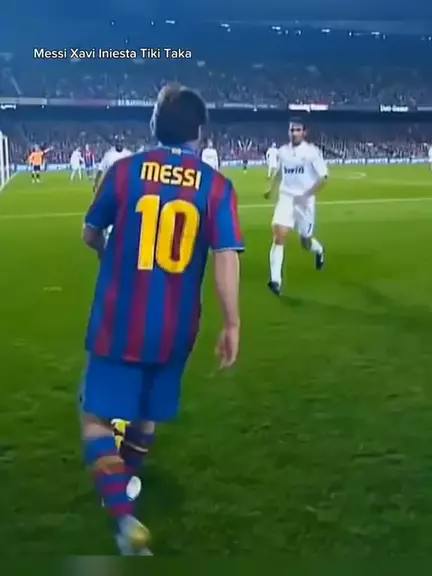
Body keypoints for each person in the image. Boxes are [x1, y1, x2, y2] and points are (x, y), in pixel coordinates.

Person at [80, 84, 244, 555]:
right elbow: (226, 256)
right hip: (176, 326)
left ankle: (123, 517)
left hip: (120, 317)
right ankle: (127, 482)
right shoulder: (217, 186)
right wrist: (232, 323)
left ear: (154, 125)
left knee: (95, 415)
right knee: (147, 413)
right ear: (200, 132)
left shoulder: (122, 172)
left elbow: (90, 233)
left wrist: (109, 252)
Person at [264, 118, 328, 296]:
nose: (294, 133)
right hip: (286, 198)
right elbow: (279, 171)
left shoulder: (312, 152)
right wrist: (271, 188)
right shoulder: (283, 152)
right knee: (279, 235)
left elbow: (323, 177)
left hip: (305, 202)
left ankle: (319, 251)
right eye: (291, 130)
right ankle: (275, 280)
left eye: (298, 130)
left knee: (305, 241)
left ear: (304, 132)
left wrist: (306, 195)